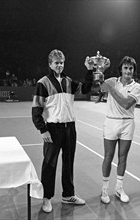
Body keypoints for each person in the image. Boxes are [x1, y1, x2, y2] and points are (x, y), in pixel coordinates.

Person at [31, 49, 94, 213]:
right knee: (49, 165)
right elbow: (36, 110)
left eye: (61, 62)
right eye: (56, 63)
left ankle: (68, 195)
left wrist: (89, 70)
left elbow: (86, 89)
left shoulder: (68, 81)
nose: (59, 65)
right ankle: (47, 198)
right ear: (50, 64)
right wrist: (43, 130)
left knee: (68, 163)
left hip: (70, 128)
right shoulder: (43, 83)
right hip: (52, 129)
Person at [99, 56, 140, 204]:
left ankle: (118, 188)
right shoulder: (112, 81)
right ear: (121, 69)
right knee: (108, 157)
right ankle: (105, 189)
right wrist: (98, 71)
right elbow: (98, 87)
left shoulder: (137, 87)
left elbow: (126, 104)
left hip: (127, 124)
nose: (128, 71)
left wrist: (110, 89)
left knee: (122, 158)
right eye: (126, 68)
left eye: (131, 68)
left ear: (134, 71)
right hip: (111, 122)